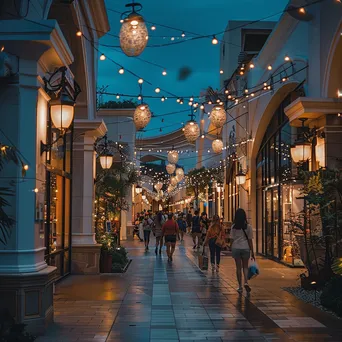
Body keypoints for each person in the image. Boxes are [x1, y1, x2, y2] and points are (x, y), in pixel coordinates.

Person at [230, 208, 254, 293]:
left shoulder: (233, 227)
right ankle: (246, 282)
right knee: (245, 267)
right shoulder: (248, 227)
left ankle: (240, 286)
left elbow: (231, 239)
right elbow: (250, 240)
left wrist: (230, 246)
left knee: (238, 267)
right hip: (245, 248)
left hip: (236, 248)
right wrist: (252, 251)